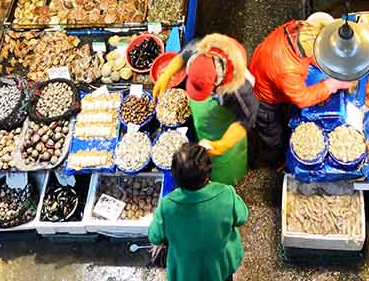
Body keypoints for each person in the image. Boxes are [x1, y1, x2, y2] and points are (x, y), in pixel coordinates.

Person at [247, 15, 354, 167]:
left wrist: (329, 68)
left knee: (282, 116)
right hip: (263, 100)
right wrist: (332, 84)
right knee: (272, 134)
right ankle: (273, 162)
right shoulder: (287, 69)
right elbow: (302, 99)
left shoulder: (296, 30)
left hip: (265, 71)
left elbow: (311, 55)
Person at [153, 34, 258, 185]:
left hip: (226, 132)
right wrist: (167, 75)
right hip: (206, 122)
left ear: (217, 84)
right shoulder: (202, 49)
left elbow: (245, 120)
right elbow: (183, 56)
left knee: (226, 163)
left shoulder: (238, 89)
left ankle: (230, 180)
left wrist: (222, 145)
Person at [148, 142, 247, 281]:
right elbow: (242, 217)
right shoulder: (226, 194)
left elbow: (154, 236)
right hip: (220, 266)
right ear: (208, 173)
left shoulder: (167, 206)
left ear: (175, 177)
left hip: (186, 271)